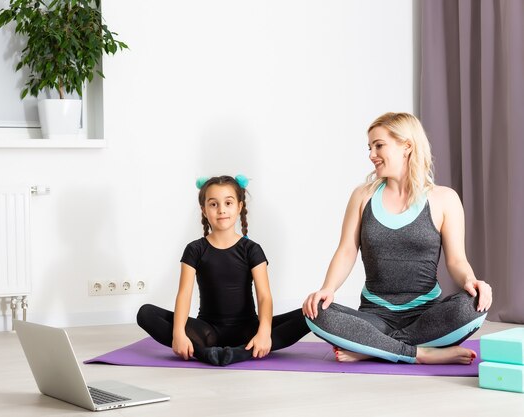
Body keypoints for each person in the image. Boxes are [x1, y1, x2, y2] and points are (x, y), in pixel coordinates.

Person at [302, 112, 492, 364]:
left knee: (473, 304)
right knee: (316, 313)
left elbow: (456, 260)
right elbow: (347, 250)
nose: (371, 154)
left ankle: (373, 347)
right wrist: (328, 288)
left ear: (407, 146)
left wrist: (471, 280)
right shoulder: (362, 196)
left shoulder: (444, 199)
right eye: (369, 147)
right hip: (374, 316)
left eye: (379, 145)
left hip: (427, 317)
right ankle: (419, 353)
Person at [138, 175, 310, 366]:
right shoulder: (195, 249)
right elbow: (184, 294)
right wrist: (178, 334)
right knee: (145, 313)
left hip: (248, 330)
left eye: (228, 203)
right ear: (203, 210)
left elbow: (264, 296)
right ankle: (206, 352)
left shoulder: (252, 249)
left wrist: (263, 332)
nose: (221, 210)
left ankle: (239, 352)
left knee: (312, 315)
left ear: (239, 207)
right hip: (206, 332)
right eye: (213, 204)